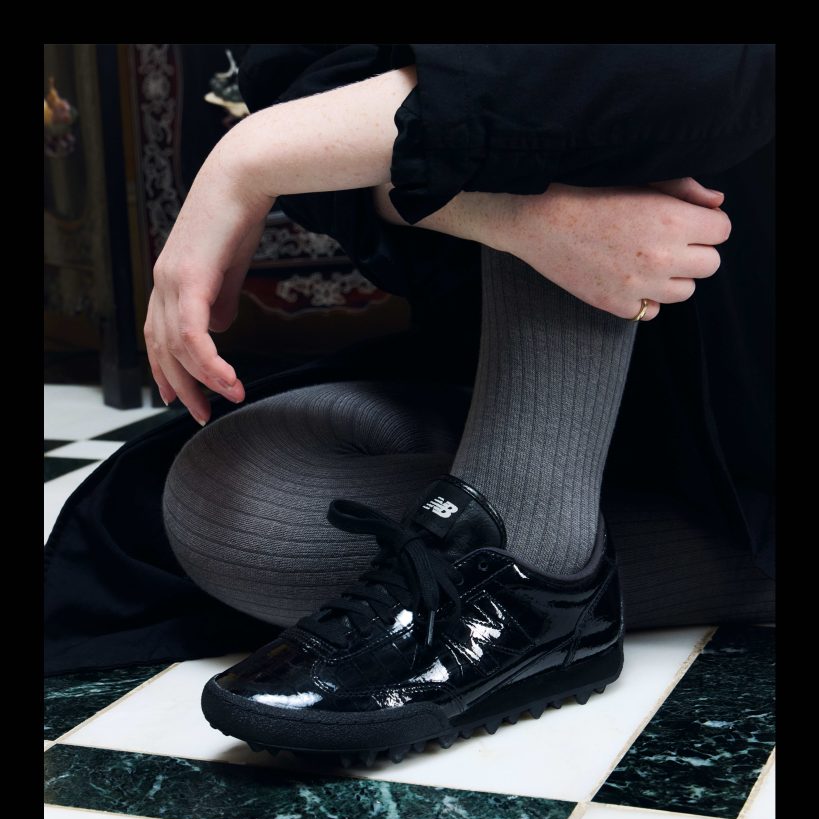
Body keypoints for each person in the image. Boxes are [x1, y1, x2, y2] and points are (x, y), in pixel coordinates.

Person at [46, 45, 775, 765]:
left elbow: (692, 72)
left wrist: (249, 155)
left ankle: (533, 558)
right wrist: (515, 215)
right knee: (232, 496)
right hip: (551, 359)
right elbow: (316, 110)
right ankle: (536, 522)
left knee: (576, 99)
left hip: (746, 336)